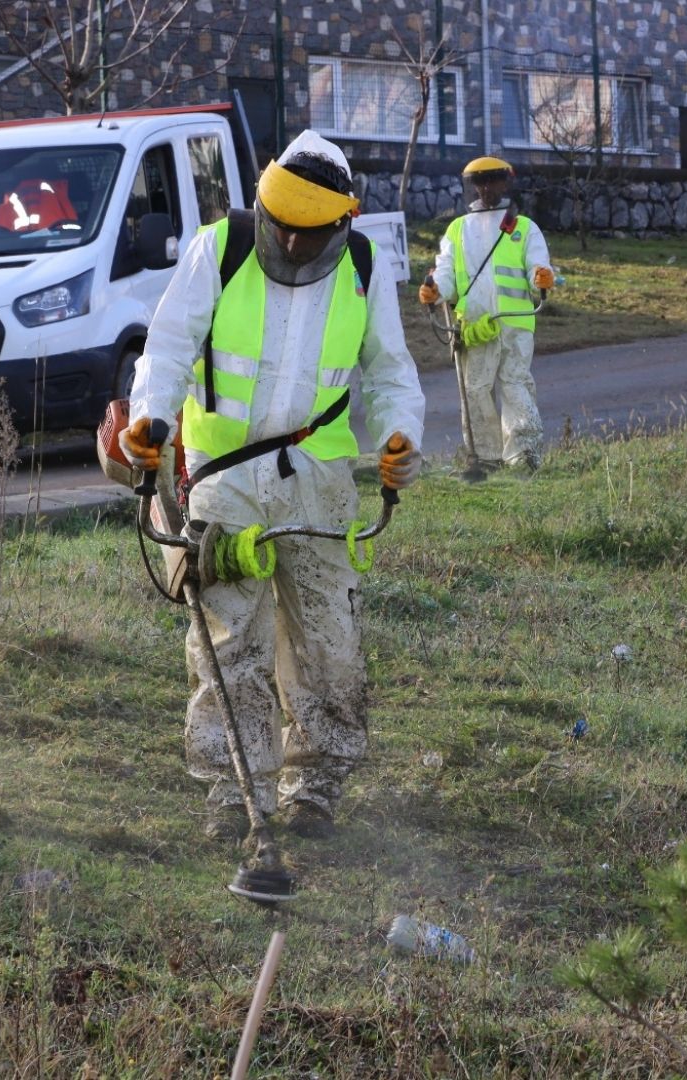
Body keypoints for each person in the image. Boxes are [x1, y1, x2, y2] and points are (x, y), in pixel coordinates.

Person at [120, 130, 425, 842]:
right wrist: (150, 421)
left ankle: (314, 784)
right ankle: (235, 791)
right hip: (224, 482)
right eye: (279, 223)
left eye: (307, 231)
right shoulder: (220, 248)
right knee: (230, 642)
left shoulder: (363, 266)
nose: (289, 241)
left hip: (319, 481)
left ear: (342, 222)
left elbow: (388, 371)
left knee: (328, 641)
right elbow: (166, 348)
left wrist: (399, 437)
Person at [419, 156, 555, 471]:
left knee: (515, 385)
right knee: (476, 390)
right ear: (471, 187)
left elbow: (537, 263)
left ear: (505, 183)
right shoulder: (457, 229)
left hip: (514, 326)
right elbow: (446, 274)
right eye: (479, 182)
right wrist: (435, 290)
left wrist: (542, 275)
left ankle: (524, 456)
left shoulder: (522, 228)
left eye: (491, 180)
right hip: (476, 327)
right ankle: (487, 457)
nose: (485, 187)